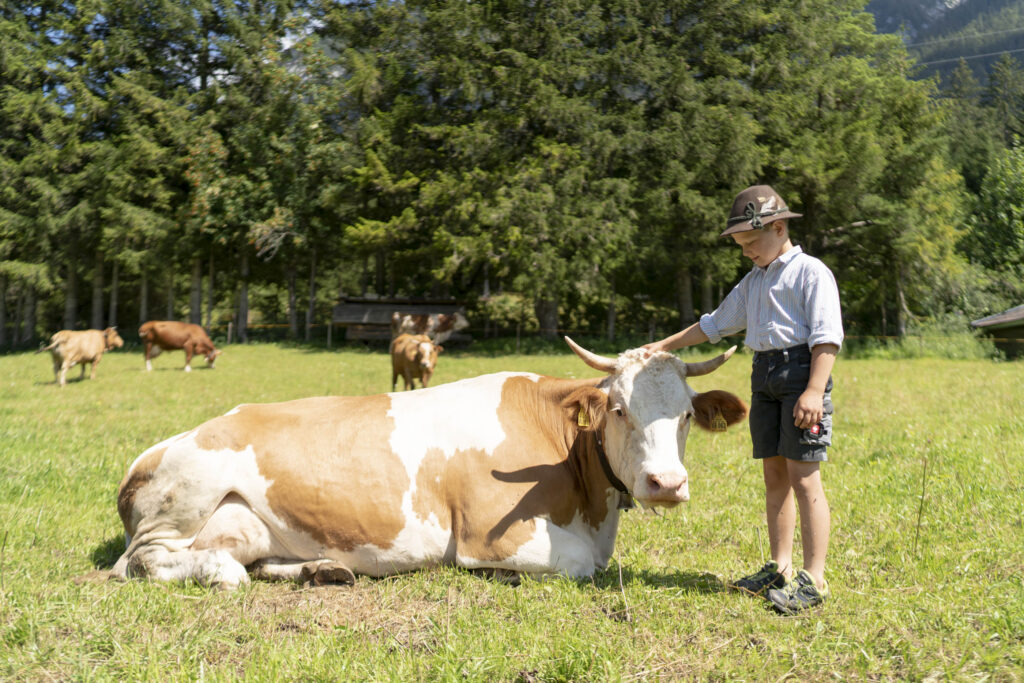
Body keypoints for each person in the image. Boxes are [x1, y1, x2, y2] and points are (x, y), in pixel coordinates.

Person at [644, 185, 843, 615]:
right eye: (740, 245)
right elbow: (713, 325)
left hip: (799, 376)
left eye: (751, 242)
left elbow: (827, 338)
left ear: (778, 227)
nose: (746, 252)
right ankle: (779, 567)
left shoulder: (811, 272)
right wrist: (662, 345)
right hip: (764, 375)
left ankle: (815, 578)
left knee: (805, 478)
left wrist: (812, 390)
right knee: (775, 476)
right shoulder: (753, 282)